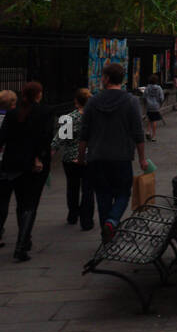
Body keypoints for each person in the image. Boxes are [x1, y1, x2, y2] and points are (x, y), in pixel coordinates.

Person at [77, 63, 148, 243]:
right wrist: (142, 158)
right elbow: (138, 133)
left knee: (102, 195)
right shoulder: (131, 101)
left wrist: (80, 155)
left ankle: (106, 233)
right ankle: (113, 220)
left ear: (107, 78)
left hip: (97, 156)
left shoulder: (93, 101)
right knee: (123, 193)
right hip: (122, 156)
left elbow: (84, 133)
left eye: (102, 76)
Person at [0, 82, 53, 261]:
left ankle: (24, 239)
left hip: (12, 162)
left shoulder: (13, 113)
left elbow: (3, 137)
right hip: (33, 163)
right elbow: (45, 137)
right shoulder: (44, 112)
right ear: (38, 94)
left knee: (21, 202)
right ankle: (22, 244)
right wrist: (39, 157)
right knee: (30, 204)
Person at [52, 88, 95, 231]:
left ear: (76, 101)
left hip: (70, 158)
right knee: (88, 189)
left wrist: (51, 151)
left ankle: (72, 215)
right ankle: (87, 219)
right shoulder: (95, 117)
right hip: (90, 157)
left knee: (72, 187)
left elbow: (60, 139)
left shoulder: (70, 118)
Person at [143, 75, 165, 142]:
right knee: (154, 120)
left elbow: (144, 96)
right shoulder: (159, 88)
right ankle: (154, 136)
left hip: (149, 106)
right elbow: (161, 98)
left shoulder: (147, 88)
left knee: (149, 119)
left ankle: (147, 131)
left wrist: (146, 104)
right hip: (156, 106)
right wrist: (160, 104)